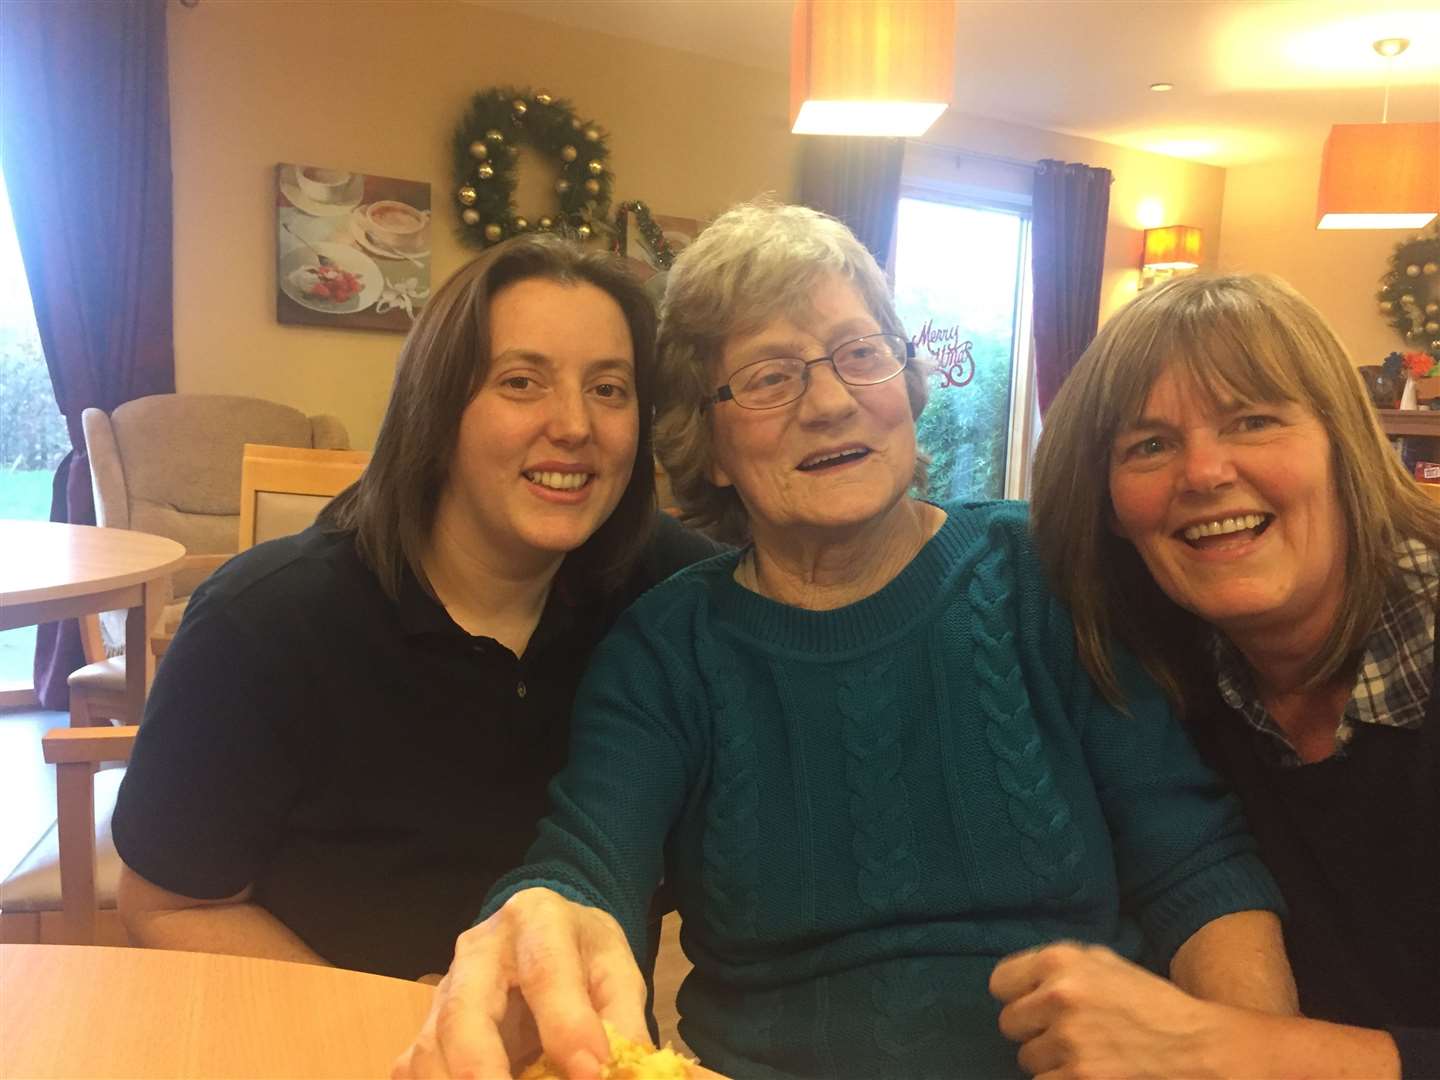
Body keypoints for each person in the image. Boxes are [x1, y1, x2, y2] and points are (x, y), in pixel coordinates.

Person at [391, 203, 1298, 1080]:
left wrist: (1254, 1059)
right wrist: (546, 916)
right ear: (705, 444)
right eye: (769, 377)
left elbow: (1195, 863)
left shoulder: (1044, 573)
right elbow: (588, 863)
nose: (828, 403)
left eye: (860, 354)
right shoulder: (669, 647)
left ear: (907, 385)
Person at [111, 237, 721, 981]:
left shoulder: (673, 593)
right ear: (437, 407)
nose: (575, 425)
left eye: (610, 389)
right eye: (522, 381)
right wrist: (397, 1028)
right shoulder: (263, 624)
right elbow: (168, 906)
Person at [1026, 273, 1439, 1078]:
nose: (1205, 473)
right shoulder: (1161, 681)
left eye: (1253, 420)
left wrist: (1238, 1051)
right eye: (1149, 445)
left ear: (1342, 443)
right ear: (1110, 506)